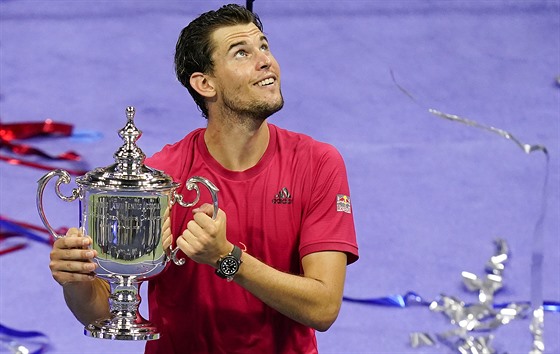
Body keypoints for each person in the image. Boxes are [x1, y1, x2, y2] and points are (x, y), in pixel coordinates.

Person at [49, 4, 359, 353]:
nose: (265, 61)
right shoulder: (160, 177)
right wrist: (76, 281)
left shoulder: (318, 163)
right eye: (242, 52)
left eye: (264, 46)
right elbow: (105, 311)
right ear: (205, 83)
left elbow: (324, 307)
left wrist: (226, 257)